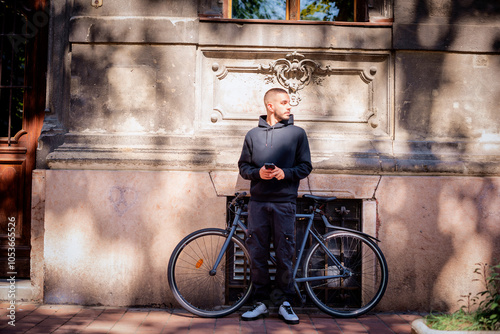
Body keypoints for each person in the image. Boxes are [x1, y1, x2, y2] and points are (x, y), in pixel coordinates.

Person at [238, 87, 313, 324]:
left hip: (285, 204)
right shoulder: (252, 135)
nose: (289, 106)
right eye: (284, 102)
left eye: (289, 103)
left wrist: (285, 173)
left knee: (284, 254)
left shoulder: (297, 134)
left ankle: (284, 303)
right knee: (257, 254)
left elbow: (305, 166)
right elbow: (243, 168)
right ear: (270, 106)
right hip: (258, 204)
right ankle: (260, 302)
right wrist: (258, 173)